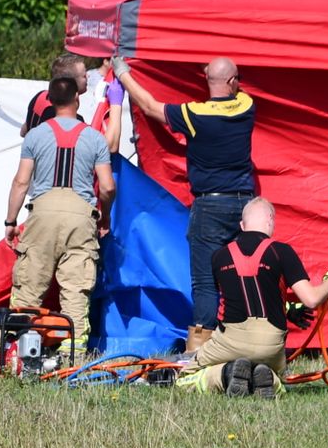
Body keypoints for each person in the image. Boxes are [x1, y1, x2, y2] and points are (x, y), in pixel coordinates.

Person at [110, 54, 256, 353]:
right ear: (232, 82)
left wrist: (123, 73)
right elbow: (233, 89)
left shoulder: (195, 114)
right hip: (245, 206)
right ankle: (250, 342)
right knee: (245, 274)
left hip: (209, 207)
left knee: (205, 282)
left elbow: (150, 107)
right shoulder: (246, 106)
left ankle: (200, 352)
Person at [174, 198, 328, 398]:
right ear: (270, 220)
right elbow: (311, 300)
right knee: (280, 379)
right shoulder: (282, 251)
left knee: (184, 379)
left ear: (242, 225)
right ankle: (270, 379)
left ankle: (225, 374)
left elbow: (239, 297)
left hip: (230, 342)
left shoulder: (219, 256)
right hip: (270, 346)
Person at [6, 76, 115, 347]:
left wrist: (10, 221)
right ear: (77, 99)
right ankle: (73, 356)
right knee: (76, 292)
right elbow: (108, 187)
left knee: (28, 289)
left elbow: (21, 182)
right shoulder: (95, 138)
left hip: (42, 212)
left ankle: (17, 351)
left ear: (52, 102)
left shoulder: (35, 136)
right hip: (81, 216)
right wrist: (106, 215)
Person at [21, 53, 122, 152]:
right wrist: (116, 104)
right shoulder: (72, 121)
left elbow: (24, 131)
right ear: (71, 82)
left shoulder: (39, 97)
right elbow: (109, 148)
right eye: (84, 76)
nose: (88, 77)